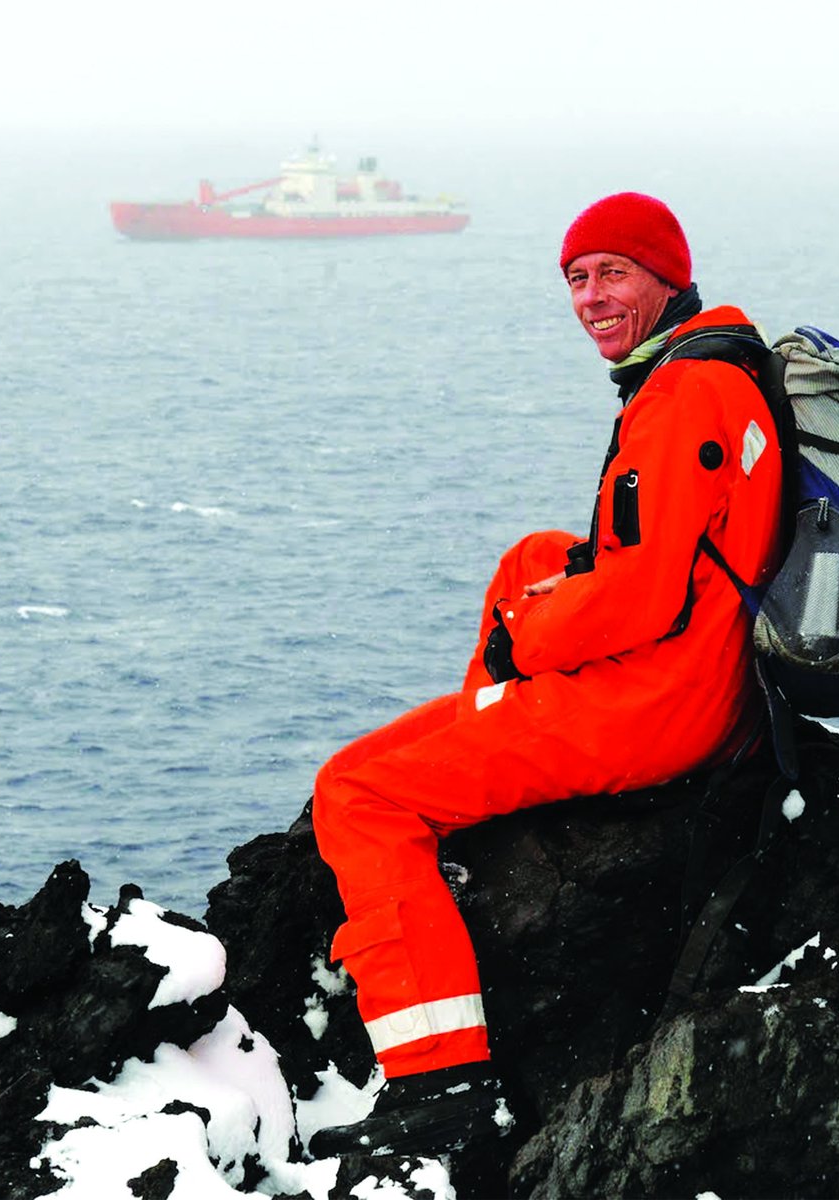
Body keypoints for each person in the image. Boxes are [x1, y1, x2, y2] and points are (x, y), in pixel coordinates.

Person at [308, 192, 783, 1158]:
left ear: (666, 277)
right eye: (576, 277)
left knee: (358, 796)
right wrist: (543, 600)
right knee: (533, 555)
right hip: (709, 674)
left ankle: (440, 1081)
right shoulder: (723, 365)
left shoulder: (682, 396)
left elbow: (640, 599)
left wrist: (527, 643)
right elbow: (661, 555)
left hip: (661, 705)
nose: (592, 296)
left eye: (614, 272)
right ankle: (491, 730)